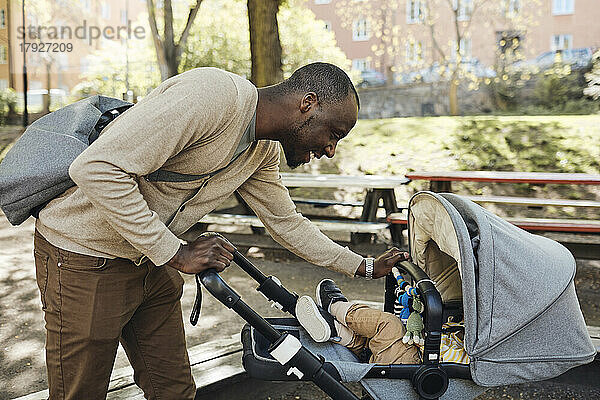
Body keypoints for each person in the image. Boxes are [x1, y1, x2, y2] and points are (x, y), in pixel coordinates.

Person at [32, 63, 406, 400]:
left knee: (174, 390)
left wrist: (365, 267)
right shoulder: (211, 96)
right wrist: (176, 252)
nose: (330, 150)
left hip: (149, 261)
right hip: (83, 257)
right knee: (79, 393)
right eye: (334, 133)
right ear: (307, 104)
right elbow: (96, 168)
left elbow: (287, 222)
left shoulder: (261, 151)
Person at [295, 279, 469, 365]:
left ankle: (334, 307)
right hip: (405, 350)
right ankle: (335, 331)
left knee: (388, 324)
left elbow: (441, 357)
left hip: (415, 363)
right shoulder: (457, 328)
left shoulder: (468, 355)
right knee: (368, 335)